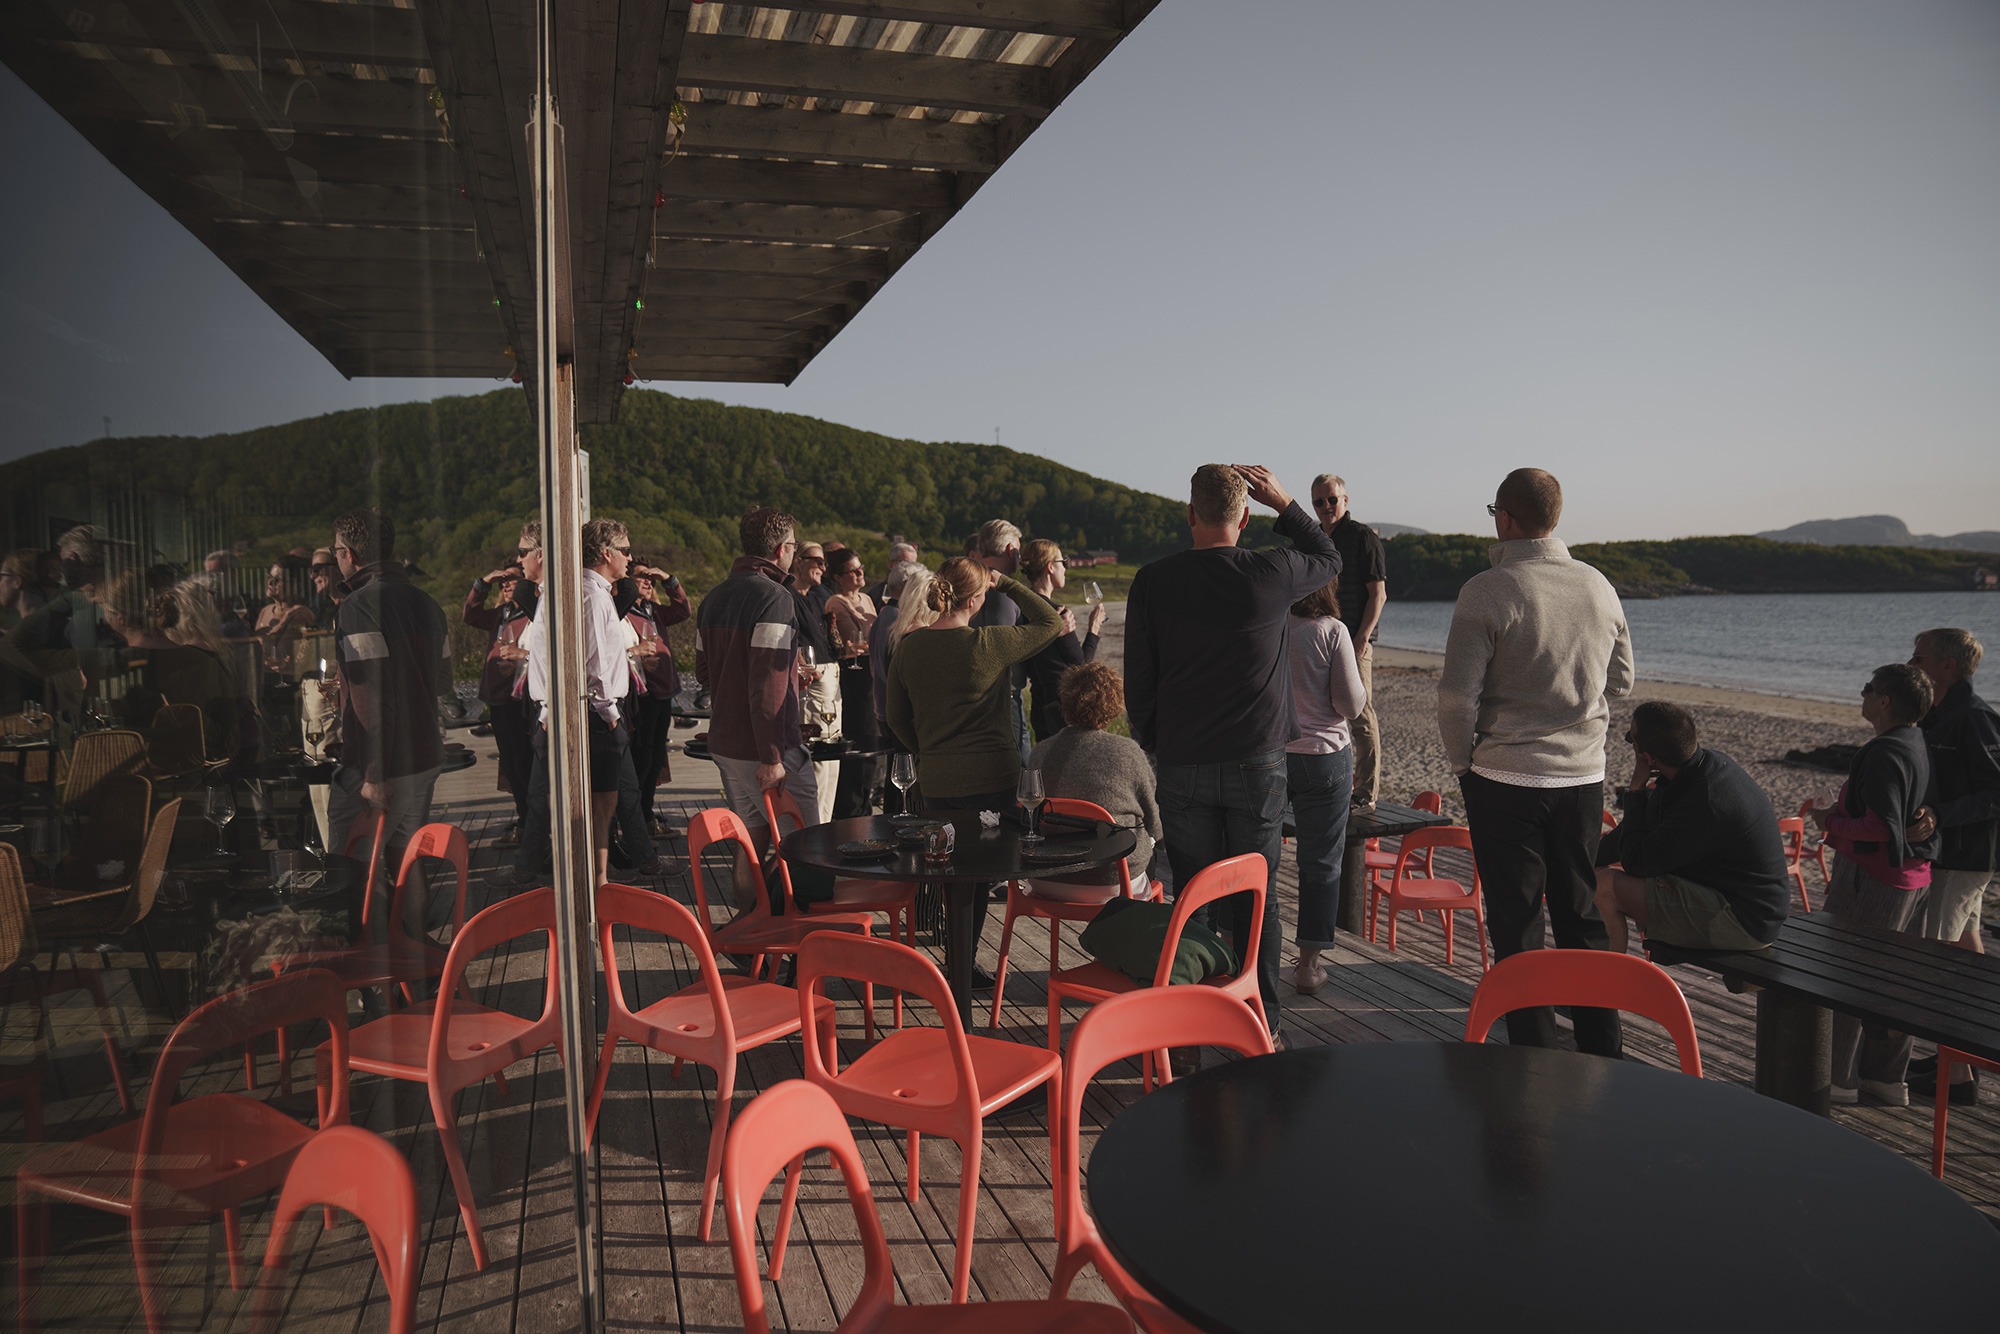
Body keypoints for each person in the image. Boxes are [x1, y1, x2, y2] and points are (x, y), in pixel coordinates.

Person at [1125, 464, 1341, 1041]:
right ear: (1245, 518)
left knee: (1192, 895)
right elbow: (1329, 556)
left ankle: (1191, 1029)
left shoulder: (1153, 580)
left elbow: (1138, 678)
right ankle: (1262, 1025)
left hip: (1182, 757)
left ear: (1190, 513)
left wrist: (1155, 740)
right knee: (1256, 896)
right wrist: (1285, 502)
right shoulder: (1271, 571)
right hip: (1257, 759)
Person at [1439, 468, 1633, 1058]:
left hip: (1505, 775)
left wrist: (1463, 766)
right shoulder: (1597, 585)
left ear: (1505, 518)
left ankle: (1534, 1055)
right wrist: (1573, 699)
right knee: (1580, 913)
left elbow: (1457, 697)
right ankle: (1603, 1049)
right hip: (1582, 775)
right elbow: (1622, 680)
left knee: (1516, 919)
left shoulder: (1487, 590)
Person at [886, 556, 1063, 983]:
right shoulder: (988, 643)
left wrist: (928, 751)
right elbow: (1051, 623)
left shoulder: (909, 646)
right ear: (974, 599)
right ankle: (961, 966)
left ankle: (956, 960)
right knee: (979, 876)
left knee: (947, 867)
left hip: (938, 778)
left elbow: (895, 717)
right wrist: (1008, 583)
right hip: (992, 777)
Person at [1808, 663, 1941, 1105]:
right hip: (1913, 877)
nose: (1861, 694)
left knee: (1845, 973)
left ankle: (1839, 1079)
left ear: (1884, 701)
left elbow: (1880, 827)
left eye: (1868, 688)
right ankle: (1884, 1077)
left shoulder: (1884, 750)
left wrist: (1829, 822)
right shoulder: (1917, 740)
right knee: (1896, 981)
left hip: (1875, 877)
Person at [326, 508, 451, 928]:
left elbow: (372, 698)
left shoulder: (357, 606)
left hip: (384, 767)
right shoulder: (428, 603)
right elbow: (442, 682)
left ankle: (371, 960)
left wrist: (372, 773)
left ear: (348, 554)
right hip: (425, 756)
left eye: (335, 552)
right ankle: (412, 950)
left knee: (355, 868)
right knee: (407, 860)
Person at [1592, 702, 1791, 955]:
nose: (1630, 743)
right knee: (1594, 872)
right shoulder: (1696, 769)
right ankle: (1596, 968)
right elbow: (1633, 833)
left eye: (1631, 739)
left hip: (1745, 921)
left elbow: (1636, 863)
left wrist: (1635, 791)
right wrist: (1580, 859)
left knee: (1606, 888)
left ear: (1648, 758)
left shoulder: (1706, 800)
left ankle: (1607, 979)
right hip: (1726, 897)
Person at [1906, 628, 2000, 1103]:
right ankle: (1958, 1063)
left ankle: (1959, 1078)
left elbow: (1995, 792)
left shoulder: (1975, 717)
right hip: (1948, 854)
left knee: (1939, 960)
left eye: (1919, 657)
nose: (1911, 663)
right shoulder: (1936, 713)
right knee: (1964, 954)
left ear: (1948, 666)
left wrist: (1940, 815)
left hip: (1964, 856)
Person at [696, 507, 817, 859]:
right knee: (806, 848)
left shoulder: (713, 597)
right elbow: (767, 684)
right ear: (781, 549)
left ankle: (753, 899)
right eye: (793, 546)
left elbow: (705, 674)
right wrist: (772, 756)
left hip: (725, 744)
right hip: (765, 750)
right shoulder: (775, 598)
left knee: (749, 846)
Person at [1284, 576, 1368, 995]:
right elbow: (1350, 705)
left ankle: (1242, 950)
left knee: (1259, 855)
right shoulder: (1332, 631)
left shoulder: (1273, 625)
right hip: (1324, 756)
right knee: (1320, 863)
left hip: (1275, 754)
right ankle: (1308, 966)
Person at [1027, 661, 1162, 898]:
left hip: (1045, 878)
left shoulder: (1041, 752)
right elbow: (1154, 822)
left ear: (1065, 701)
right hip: (1114, 882)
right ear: (1114, 705)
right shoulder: (1127, 752)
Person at [1309, 474, 1388, 811]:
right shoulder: (1315, 540)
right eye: (1319, 502)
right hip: (1321, 639)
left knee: (1361, 716)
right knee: (1324, 714)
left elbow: (1378, 594)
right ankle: (1335, 786)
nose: (1326, 506)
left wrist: (1361, 639)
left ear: (1345, 500)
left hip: (1355, 640)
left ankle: (1367, 793)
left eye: (1332, 499)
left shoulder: (1362, 537)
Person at [463, 528, 541, 844]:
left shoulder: (534, 614)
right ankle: (524, 819)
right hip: (497, 698)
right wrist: (483, 583)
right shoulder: (500, 615)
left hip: (523, 700)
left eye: (513, 579)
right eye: (504, 581)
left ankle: (530, 823)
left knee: (524, 762)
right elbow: (470, 615)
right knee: (510, 762)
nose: (508, 585)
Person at [623, 556, 692, 837]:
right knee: (642, 757)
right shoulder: (621, 612)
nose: (648, 581)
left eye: (651, 578)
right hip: (642, 693)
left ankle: (645, 813)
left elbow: (683, 611)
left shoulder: (654, 610)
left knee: (656, 757)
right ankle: (638, 819)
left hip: (664, 691)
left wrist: (669, 580)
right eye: (642, 576)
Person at [1019, 539, 1104, 742]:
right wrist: (1094, 627)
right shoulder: (1056, 613)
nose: (1065, 568)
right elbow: (1082, 664)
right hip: (1063, 707)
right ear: (1050, 567)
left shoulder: (1022, 607)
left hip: (1039, 704)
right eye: (1063, 562)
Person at [968, 519, 1031, 764]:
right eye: (1018, 550)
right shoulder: (1003, 591)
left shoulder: (972, 583)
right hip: (1003, 698)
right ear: (1009, 550)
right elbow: (1000, 646)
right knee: (1017, 767)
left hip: (973, 696)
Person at [825, 547, 880, 818]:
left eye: (861, 568)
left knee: (872, 744)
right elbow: (854, 642)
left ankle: (864, 806)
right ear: (838, 577)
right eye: (853, 571)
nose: (860, 573)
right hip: (855, 678)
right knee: (861, 740)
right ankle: (852, 810)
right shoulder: (836, 603)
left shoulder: (867, 599)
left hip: (870, 674)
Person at [254, 556, 316, 673]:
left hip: (285, 677)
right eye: (269, 577)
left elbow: (305, 655)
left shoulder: (300, 614)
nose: (270, 582)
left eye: (277, 580)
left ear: (296, 585)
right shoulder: (265, 611)